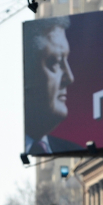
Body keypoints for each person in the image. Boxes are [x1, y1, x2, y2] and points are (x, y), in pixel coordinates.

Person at [23, 18, 81, 156]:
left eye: (66, 60)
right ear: (26, 70)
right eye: (54, 62)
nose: (70, 78)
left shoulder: (74, 151)